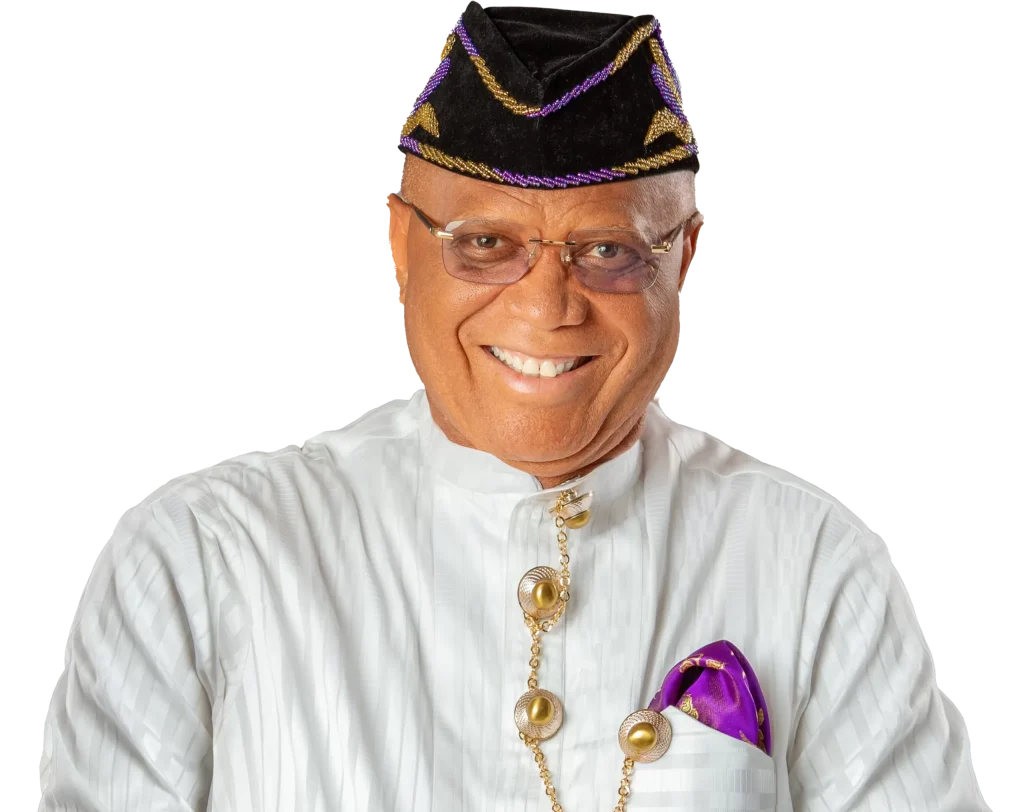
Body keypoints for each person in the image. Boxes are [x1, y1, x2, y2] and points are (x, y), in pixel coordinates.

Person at [41, 3, 989, 810]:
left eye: (608, 251)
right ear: (399, 244)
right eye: (484, 243)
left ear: (685, 259)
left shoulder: (813, 566)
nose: (547, 307)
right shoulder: (202, 559)